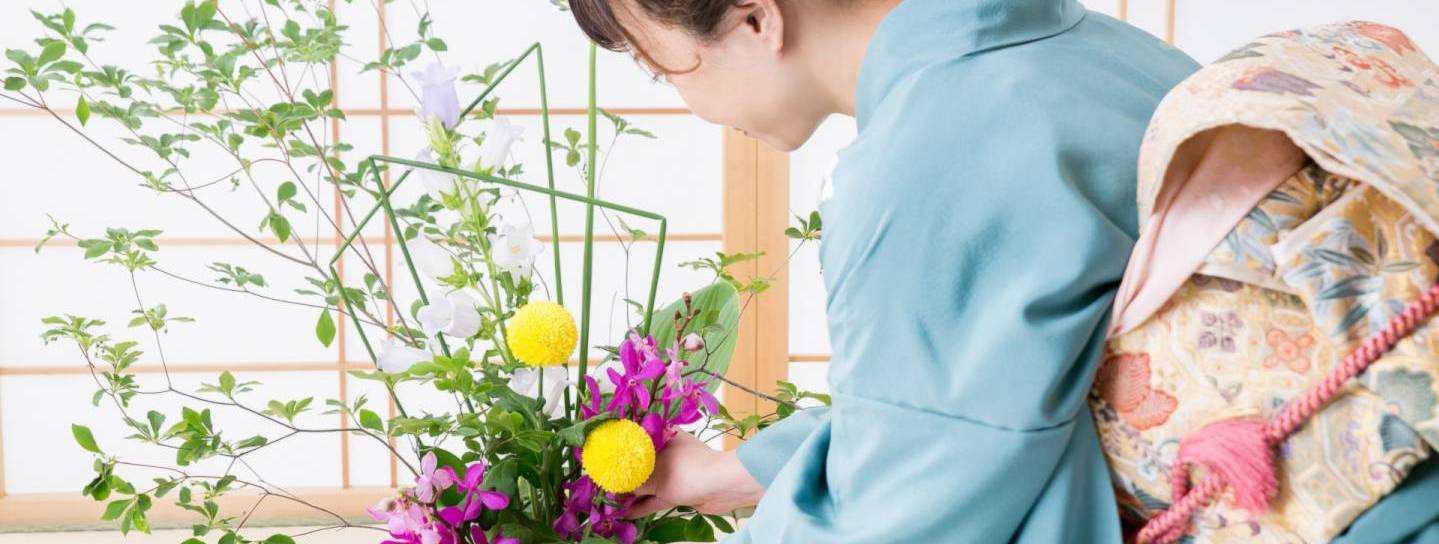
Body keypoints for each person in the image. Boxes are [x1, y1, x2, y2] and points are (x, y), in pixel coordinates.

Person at [567, 0, 1198, 540]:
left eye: (666, 71)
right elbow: (975, 399)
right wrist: (737, 472)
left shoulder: (923, 165)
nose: (686, 103)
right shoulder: (1105, 51)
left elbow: (888, 519)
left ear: (756, 19)